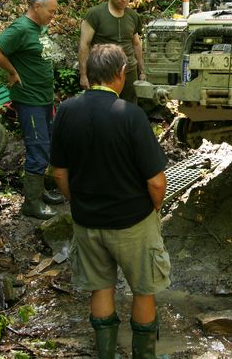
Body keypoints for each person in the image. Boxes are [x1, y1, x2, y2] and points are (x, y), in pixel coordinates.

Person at [50, 44, 170, 359]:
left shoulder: (66, 111)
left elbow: (59, 172)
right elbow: (156, 181)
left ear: (89, 74)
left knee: (101, 288)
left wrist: (77, 200)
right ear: (121, 73)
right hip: (132, 221)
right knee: (143, 289)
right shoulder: (130, 114)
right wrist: (155, 208)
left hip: (87, 222)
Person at [0, 0, 62, 219]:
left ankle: (40, 191)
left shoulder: (39, 28)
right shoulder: (20, 28)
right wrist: (11, 70)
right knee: (37, 147)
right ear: (37, 7)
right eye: (51, 11)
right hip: (29, 100)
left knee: (47, 144)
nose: (53, 16)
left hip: (44, 98)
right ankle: (32, 203)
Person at [78, 0, 146, 103]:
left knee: (128, 108)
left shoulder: (133, 16)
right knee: (103, 108)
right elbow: (84, 45)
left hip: (129, 72)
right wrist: (83, 75)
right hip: (103, 72)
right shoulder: (95, 14)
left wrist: (142, 71)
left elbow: (136, 44)